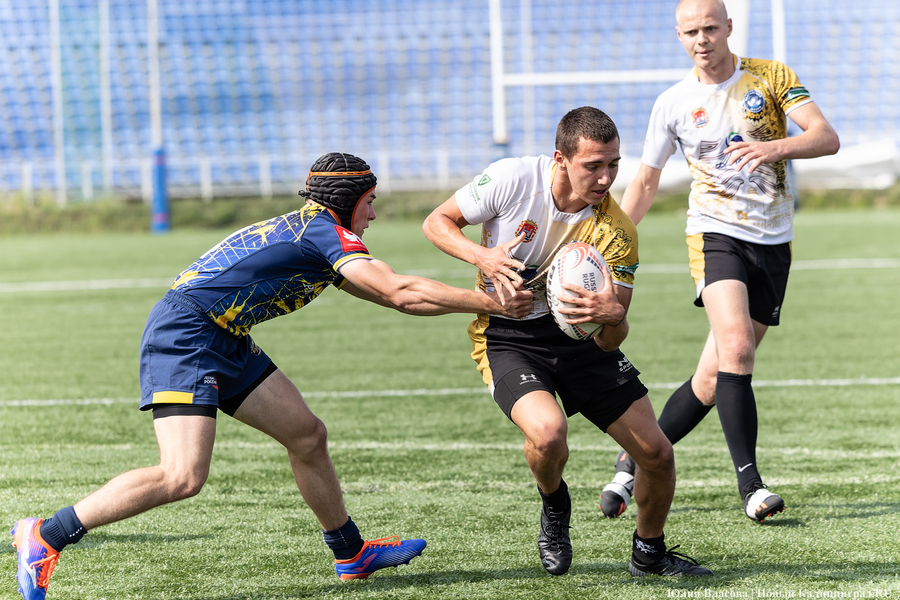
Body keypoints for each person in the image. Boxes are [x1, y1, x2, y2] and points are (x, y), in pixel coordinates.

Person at [10, 152, 534, 600]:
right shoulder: (324, 233)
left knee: (307, 435)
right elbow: (400, 291)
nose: (374, 213)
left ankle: (351, 554)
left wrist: (482, 301)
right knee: (182, 476)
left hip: (223, 335)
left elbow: (393, 297)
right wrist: (493, 303)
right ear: (349, 199)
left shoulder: (315, 231)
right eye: (370, 201)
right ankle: (47, 534)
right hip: (188, 334)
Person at [422, 106, 712, 578]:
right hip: (510, 335)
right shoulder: (513, 179)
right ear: (560, 158)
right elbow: (437, 222)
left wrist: (615, 317)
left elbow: (610, 340)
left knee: (657, 455)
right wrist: (484, 257)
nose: (606, 178)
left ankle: (649, 553)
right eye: (593, 165)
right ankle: (555, 504)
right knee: (548, 434)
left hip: (582, 341)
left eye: (614, 164)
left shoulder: (618, 230)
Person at [599, 0, 840, 524]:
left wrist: (773, 149)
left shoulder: (771, 77)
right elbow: (645, 182)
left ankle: (629, 463)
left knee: (712, 380)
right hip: (714, 234)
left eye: (710, 28)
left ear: (729, 28)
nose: (701, 39)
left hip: (774, 242)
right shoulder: (673, 103)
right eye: (690, 32)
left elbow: (826, 138)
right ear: (679, 37)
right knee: (737, 347)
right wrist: (611, 238)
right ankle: (751, 485)